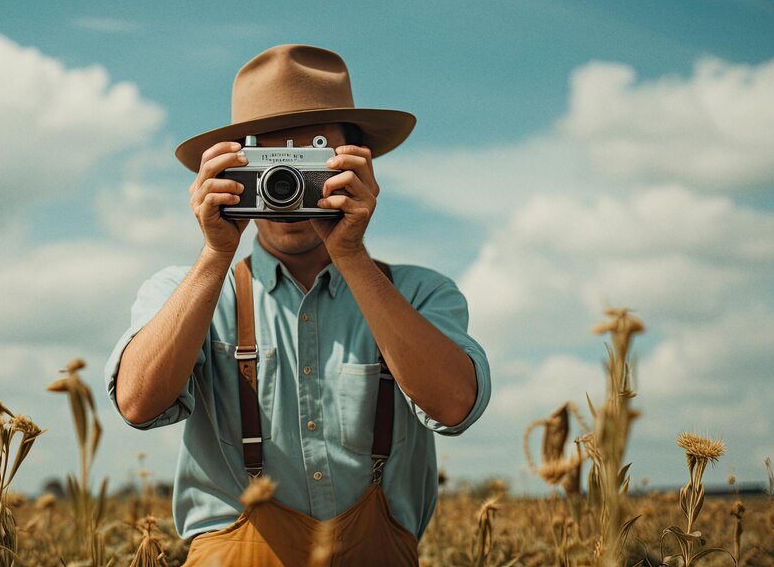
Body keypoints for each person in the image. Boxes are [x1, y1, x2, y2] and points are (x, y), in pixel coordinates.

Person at [105, 44, 491, 566]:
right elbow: (137, 403)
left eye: (306, 159)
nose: (283, 187)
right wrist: (216, 253)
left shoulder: (421, 294)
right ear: (232, 168)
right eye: (268, 164)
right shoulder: (185, 290)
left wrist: (350, 254)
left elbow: (455, 406)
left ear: (358, 164)